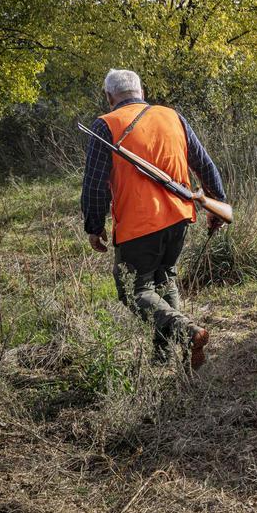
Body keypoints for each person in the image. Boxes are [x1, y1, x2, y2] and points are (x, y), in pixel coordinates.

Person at [81, 69, 227, 369]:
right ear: (141, 92)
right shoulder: (172, 116)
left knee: (134, 291)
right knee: (164, 280)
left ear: (110, 97)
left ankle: (188, 333)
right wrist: (217, 204)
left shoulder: (105, 125)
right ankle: (164, 356)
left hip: (139, 224)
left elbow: (94, 184)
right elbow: (204, 164)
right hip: (179, 216)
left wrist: (94, 227)